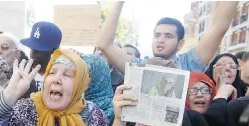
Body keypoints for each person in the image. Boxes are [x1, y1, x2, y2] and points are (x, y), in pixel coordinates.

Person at [97, 1, 238, 73]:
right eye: (157, 35)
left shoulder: (190, 63)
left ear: (180, 43)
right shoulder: (139, 66)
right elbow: (104, 44)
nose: (161, 40)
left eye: (168, 36)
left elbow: (219, 27)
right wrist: (119, 2)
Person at [20, 21, 62, 92]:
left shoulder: (62, 74)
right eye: (32, 47)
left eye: (38, 49)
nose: (33, 51)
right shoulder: (22, 70)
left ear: (53, 52)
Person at [82, 54, 114, 121]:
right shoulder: (69, 101)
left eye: (86, 74)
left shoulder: (114, 111)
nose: (79, 78)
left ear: (98, 77)